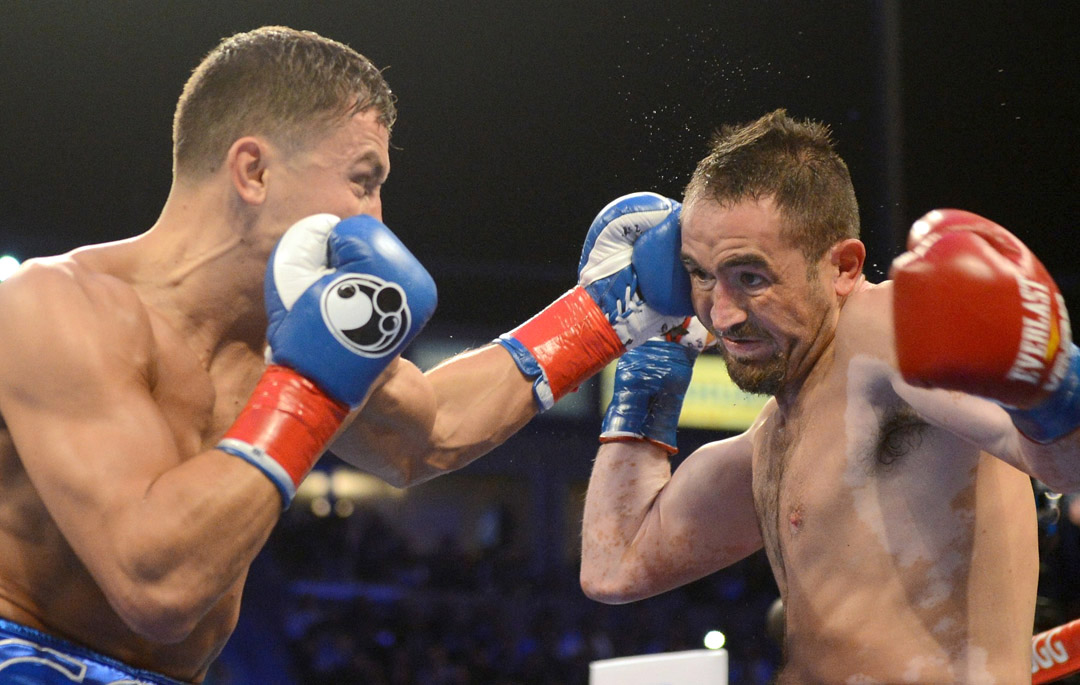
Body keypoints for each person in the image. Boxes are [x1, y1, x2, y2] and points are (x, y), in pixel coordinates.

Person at [0, 25, 691, 684]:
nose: (378, 219)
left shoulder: (290, 327)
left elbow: (428, 433)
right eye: (363, 179)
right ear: (254, 170)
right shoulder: (53, 308)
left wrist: (607, 313)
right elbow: (156, 583)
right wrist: (308, 386)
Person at [578, 109, 1080, 683]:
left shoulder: (886, 334)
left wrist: (1056, 389)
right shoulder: (778, 434)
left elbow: (1067, 464)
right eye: (700, 274)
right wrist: (651, 357)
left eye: (751, 277)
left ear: (842, 266)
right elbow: (615, 564)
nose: (721, 314)